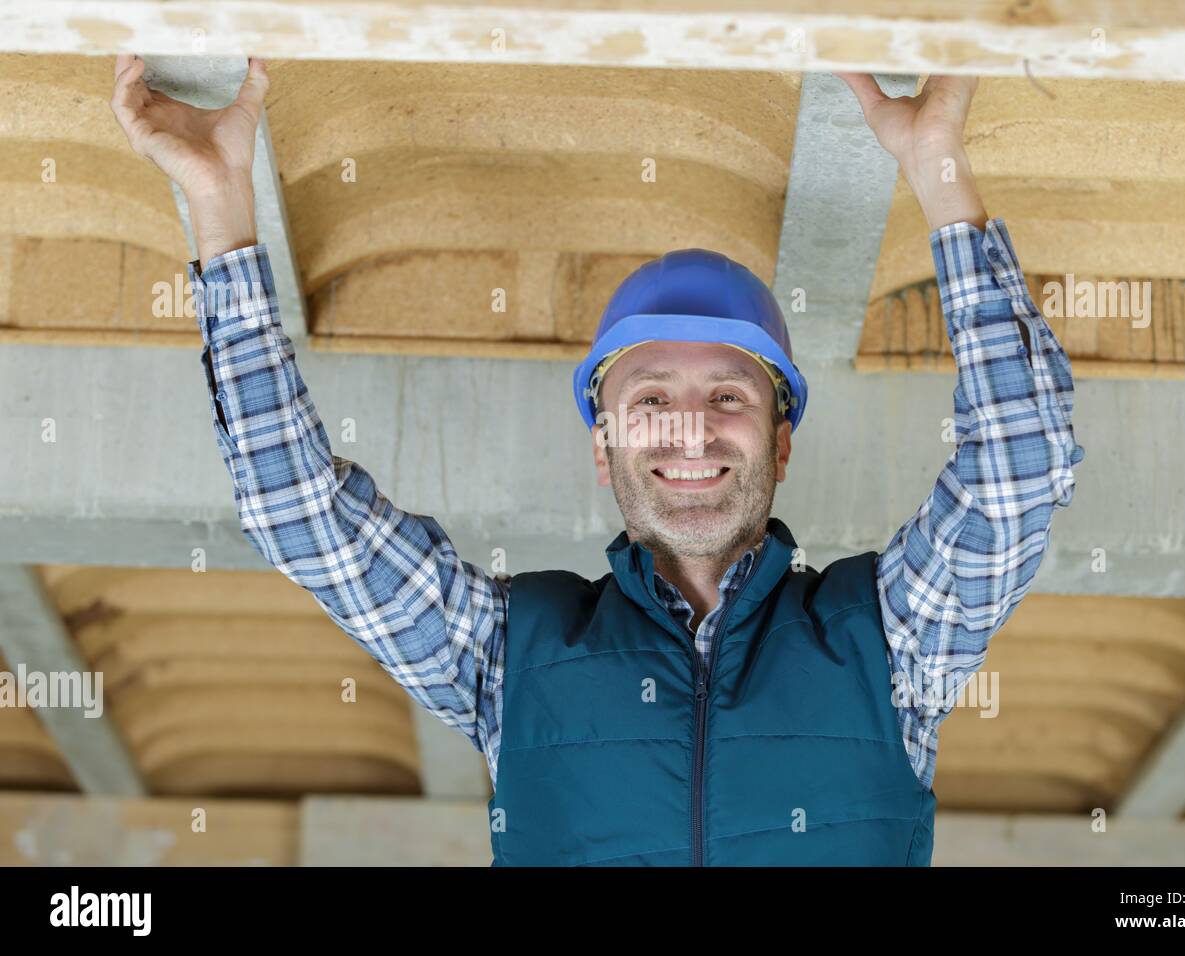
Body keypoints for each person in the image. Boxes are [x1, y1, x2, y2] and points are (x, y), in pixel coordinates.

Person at [111, 56, 1083, 866]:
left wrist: (937, 168)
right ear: (602, 440)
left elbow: (1021, 467)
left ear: (781, 440)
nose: (689, 430)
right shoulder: (510, 659)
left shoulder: (890, 644)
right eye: (650, 399)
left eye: (728, 397)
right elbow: (298, 515)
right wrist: (216, 193)